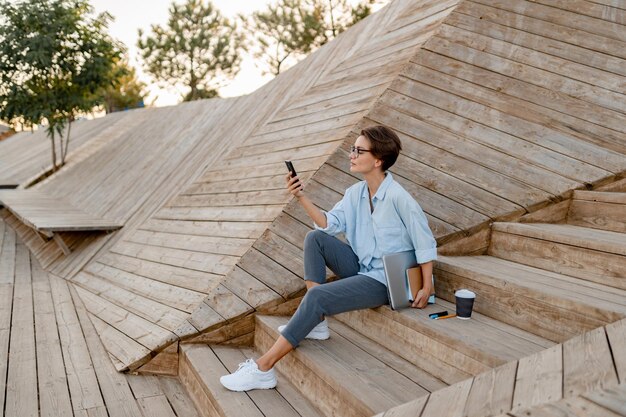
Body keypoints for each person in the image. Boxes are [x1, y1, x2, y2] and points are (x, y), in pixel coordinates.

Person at [220, 125, 437, 392]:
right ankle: (317, 322)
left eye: (359, 150)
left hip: (384, 281)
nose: (352, 154)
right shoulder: (355, 193)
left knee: (317, 297)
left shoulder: (399, 198)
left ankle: (263, 368)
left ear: (378, 160)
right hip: (361, 267)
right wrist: (300, 196)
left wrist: (426, 287)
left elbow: (424, 242)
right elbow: (327, 223)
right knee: (315, 239)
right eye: (352, 149)